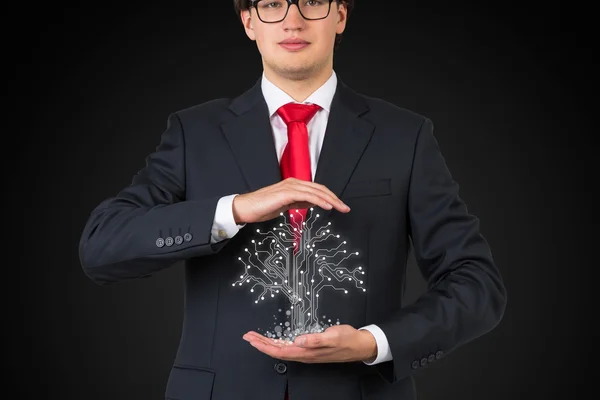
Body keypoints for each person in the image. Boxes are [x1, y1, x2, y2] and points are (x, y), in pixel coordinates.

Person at [78, 0, 507, 399]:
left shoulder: (405, 137)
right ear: (248, 22)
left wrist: (373, 342)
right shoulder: (195, 133)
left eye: (313, 2)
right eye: (271, 4)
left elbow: (476, 285)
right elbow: (101, 246)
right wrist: (234, 209)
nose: (292, 19)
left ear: (339, 15)